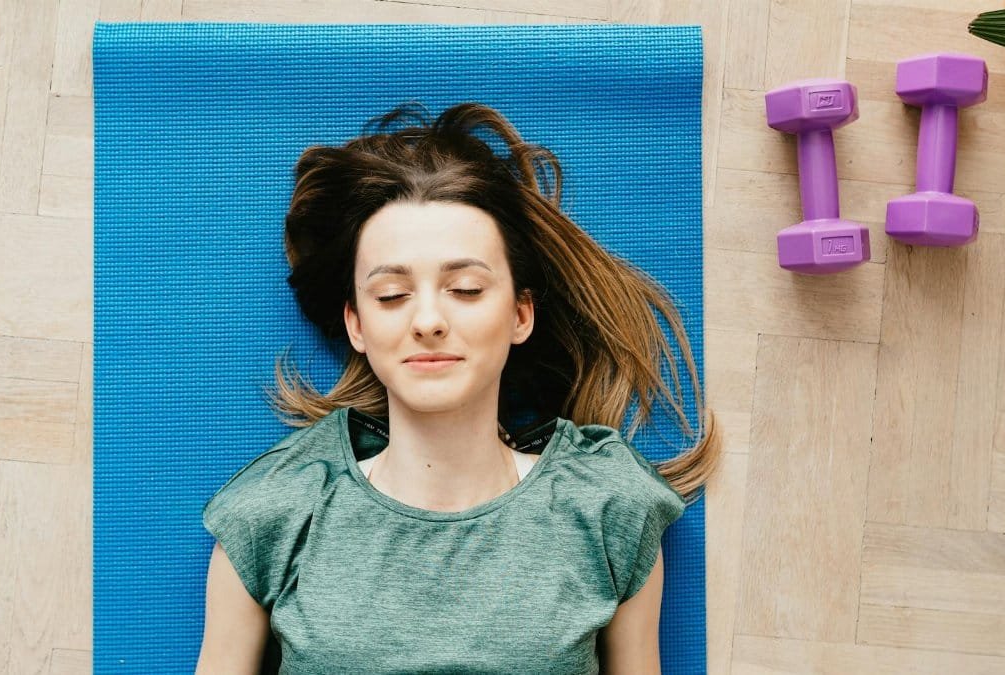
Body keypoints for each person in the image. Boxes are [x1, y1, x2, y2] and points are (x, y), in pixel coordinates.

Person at [196, 101, 723, 675]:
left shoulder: (608, 508)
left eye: (466, 289)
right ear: (357, 325)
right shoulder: (274, 512)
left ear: (522, 315)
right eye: (392, 295)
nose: (428, 321)